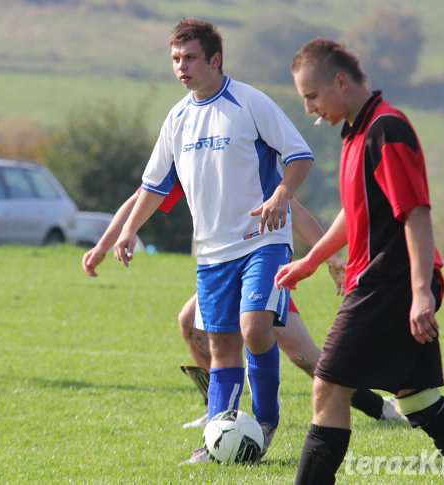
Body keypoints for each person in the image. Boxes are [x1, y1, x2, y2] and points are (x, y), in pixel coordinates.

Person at [274, 38, 444, 484]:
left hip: (390, 282)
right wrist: (310, 261)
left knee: (327, 386)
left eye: (312, 96)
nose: (309, 109)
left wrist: (421, 293)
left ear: (340, 81)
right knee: (417, 400)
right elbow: (354, 209)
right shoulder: (356, 131)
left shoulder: (386, 129)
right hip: (386, 281)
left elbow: (415, 213)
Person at [113, 18, 313, 463]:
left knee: (255, 327)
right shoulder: (177, 118)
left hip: (263, 240)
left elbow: (299, 155)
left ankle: (264, 424)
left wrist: (281, 194)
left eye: (190, 58)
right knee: (221, 346)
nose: (181, 67)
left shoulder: (249, 102)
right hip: (212, 253)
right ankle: (214, 440)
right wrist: (129, 230)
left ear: (215, 60)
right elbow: (154, 186)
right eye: (175, 59)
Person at [82, 187, 406, 428]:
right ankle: (220, 412)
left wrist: (331, 257)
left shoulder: (245, 156)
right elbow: (141, 198)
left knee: (304, 357)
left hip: (260, 268)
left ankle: (380, 408)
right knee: (189, 321)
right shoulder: (187, 155)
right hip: (222, 273)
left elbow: (294, 208)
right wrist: (102, 246)